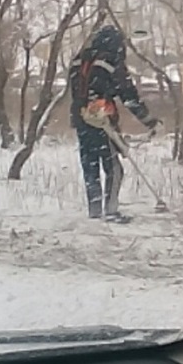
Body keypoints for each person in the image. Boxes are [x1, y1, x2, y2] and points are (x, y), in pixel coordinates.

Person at [69, 25, 160, 223]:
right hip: (103, 122)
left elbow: (75, 89)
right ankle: (111, 212)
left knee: (90, 168)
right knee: (114, 168)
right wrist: (148, 120)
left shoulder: (79, 59)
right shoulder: (110, 60)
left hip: (81, 120)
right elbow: (128, 95)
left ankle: (95, 212)